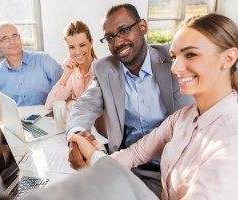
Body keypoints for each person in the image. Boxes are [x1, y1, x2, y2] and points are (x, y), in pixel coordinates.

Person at [0, 1, 158, 200]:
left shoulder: (100, 70)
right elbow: (134, 190)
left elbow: (89, 108)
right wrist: (99, 161)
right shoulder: (109, 183)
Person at [68, 13, 238, 199]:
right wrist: (91, 156)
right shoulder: (183, 117)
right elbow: (136, 153)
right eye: (174, 57)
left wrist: (95, 160)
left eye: (191, 54)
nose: (175, 68)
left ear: (228, 58)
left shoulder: (231, 142)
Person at [67, 3, 194, 196]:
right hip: (125, 165)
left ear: (142, 27)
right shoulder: (104, 69)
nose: (117, 43)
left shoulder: (174, 58)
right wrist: (75, 137)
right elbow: (84, 104)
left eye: (124, 30)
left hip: (171, 168)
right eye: (109, 37)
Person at [0, 21, 62, 106]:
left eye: (15, 36)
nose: (12, 42)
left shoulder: (44, 60)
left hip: (47, 118)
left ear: (20, 38)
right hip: (15, 119)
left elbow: (67, 86)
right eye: (5, 38)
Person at [45, 20, 97, 111]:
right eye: (72, 47)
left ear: (91, 43)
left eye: (82, 45)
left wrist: (70, 103)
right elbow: (49, 105)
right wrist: (66, 74)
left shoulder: (100, 71)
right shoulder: (72, 72)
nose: (77, 52)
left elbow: (90, 109)